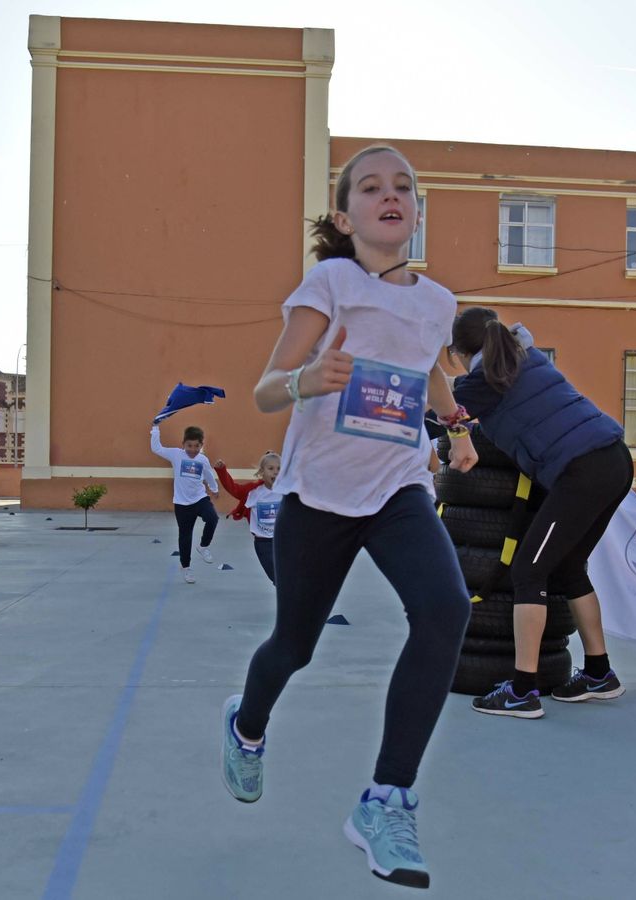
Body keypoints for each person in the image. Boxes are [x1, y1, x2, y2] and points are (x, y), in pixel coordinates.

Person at [221, 145, 475, 889]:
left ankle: (386, 798)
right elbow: (267, 390)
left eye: (403, 188)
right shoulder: (330, 283)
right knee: (293, 647)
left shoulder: (436, 302)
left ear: (418, 212)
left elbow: (428, 366)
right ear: (345, 215)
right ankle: (247, 724)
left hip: (397, 488)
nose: (389, 196)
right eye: (371, 187)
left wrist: (455, 427)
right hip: (319, 493)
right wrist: (306, 379)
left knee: (446, 609)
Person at [449, 304, 633, 719]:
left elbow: (437, 413)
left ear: (460, 351)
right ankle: (600, 674)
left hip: (582, 469)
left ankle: (522, 690)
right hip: (614, 459)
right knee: (568, 568)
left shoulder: (482, 381)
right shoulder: (524, 356)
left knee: (528, 571)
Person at [150, 423, 220, 584]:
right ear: (183, 444)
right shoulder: (176, 454)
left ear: (202, 445)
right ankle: (186, 567)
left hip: (200, 499)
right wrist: (155, 428)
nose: (193, 449)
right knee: (185, 536)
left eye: (197, 446)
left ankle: (203, 547)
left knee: (212, 518)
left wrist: (214, 489)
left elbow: (209, 475)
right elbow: (157, 448)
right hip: (182, 504)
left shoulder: (202, 459)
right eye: (189, 445)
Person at [213, 453, 284, 584]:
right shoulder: (253, 491)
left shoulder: (286, 492)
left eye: (279, 469)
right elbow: (233, 489)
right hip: (263, 543)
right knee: (277, 577)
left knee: (288, 575)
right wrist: (222, 471)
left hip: (283, 541)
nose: (275, 472)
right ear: (262, 472)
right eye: (271, 468)